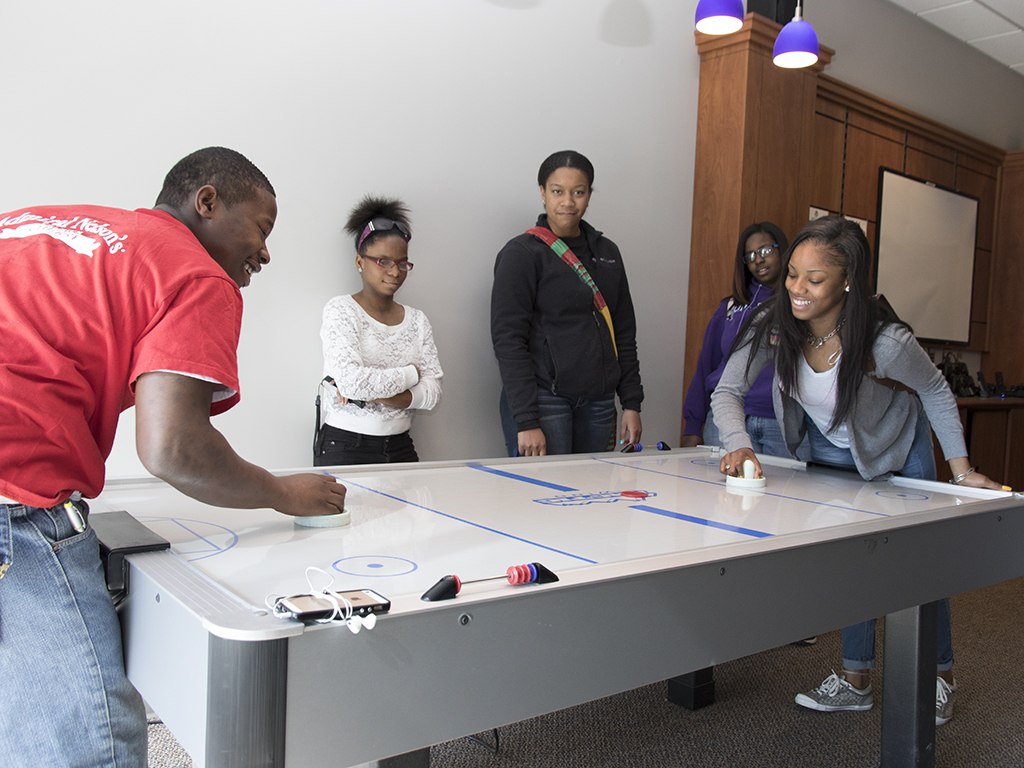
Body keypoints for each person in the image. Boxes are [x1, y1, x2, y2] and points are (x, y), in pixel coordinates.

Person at [0, 147, 346, 767]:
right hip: (15, 494)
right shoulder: (194, 274)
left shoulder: (42, 223)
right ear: (207, 202)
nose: (265, 253)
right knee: (90, 740)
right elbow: (173, 449)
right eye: (262, 228)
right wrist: (281, 491)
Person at [711, 215, 1003, 726]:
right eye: (793, 274)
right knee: (851, 560)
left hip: (894, 447)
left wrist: (960, 472)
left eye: (814, 279)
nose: (797, 288)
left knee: (918, 565)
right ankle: (855, 679)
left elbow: (935, 390)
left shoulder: (884, 341)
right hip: (830, 448)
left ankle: (940, 677)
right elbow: (727, 390)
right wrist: (737, 444)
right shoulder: (774, 324)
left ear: (847, 282)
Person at [491, 150, 643, 457]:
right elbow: (508, 340)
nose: (568, 202)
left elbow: (623, 333)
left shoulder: (607, 251)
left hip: (599, 402)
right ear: (543, 193)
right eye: (557, 191)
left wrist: (631, 403)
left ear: (589, 194)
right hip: (544, 400)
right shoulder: (522, 253)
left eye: (578, 192)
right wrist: (526, 420)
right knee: (546, 499)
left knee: (591, 495)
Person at [314, 196, 442, 465]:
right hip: (346, 445)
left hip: (401, 446)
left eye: (402, 263)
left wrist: (374, 394)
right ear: (360, 261)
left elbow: (432, 393)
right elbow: (351, 382)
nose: (395, 272)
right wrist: (412, 374)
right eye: (383, 261)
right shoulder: (341, 310)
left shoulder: (417, 320)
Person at [681, 222, 789, 454]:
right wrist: (692, 424)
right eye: (750, 256)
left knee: (779, 491)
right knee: (717, 490)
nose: (758, 260)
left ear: (783, 251)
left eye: (766, 251)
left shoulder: (798, 305)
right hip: (725, 417)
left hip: (777, 422)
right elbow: (706, 365)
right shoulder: (731, 306)